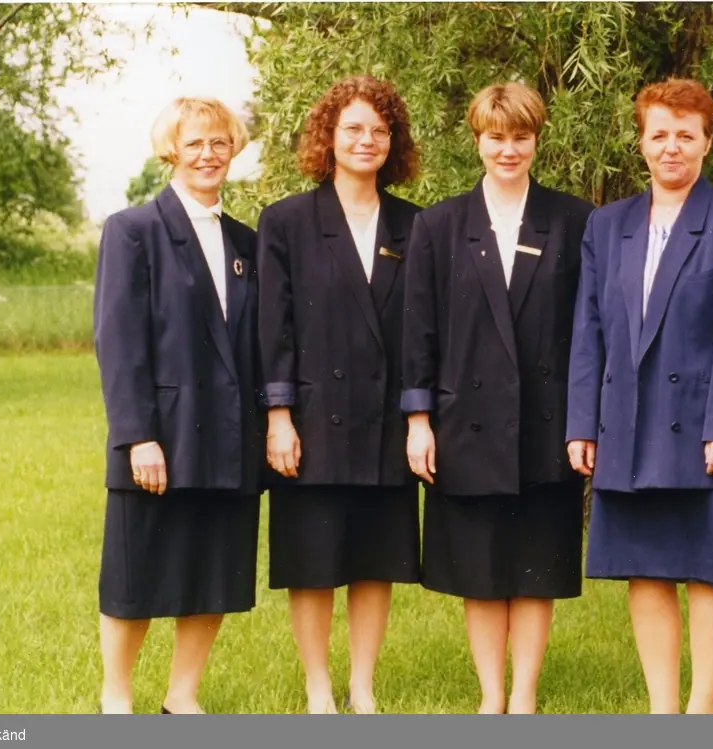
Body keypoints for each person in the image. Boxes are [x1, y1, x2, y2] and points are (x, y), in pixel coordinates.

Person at [565, 77, 713, 714]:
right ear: (641, 143)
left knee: (709, 571)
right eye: (659, 135)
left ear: (707, 142)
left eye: (686, 135)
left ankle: (701, 710)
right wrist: (582, 424)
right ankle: (662, 710)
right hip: (626, 422)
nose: (671, 147)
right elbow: (588, 328)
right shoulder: (607, 224)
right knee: (645, 569)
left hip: (704, 428)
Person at [401, 82, 593, 714]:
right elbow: (419, 331)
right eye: (495, 137)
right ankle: (491, 698)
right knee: (479, 572)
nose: (507, 150)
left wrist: (585, 421)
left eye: (520, 137)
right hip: (465, 423)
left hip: (548, 422)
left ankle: (526, 694)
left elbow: (591, 331)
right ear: (476, 139)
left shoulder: (574, 220)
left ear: (537, 139)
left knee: (536, 569)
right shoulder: (439, 224)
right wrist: (419, 420)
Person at [256, 75, 423, 715]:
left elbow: (420, 334)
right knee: (313, 559)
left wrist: (418, 417)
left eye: (379, 131)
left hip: (386, 421)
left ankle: (362, 686)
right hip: (310, 420)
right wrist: (278, 417)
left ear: (393, 143)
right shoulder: (288, 222)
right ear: (328, 136)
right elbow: (275, 328)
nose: (366, 140)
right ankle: (319, 686)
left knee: (375, 559)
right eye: (353, 128)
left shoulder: (417, 225)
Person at [93, 96, 263, 714]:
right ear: (171, 150)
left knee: (213, 573)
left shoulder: (247, 240)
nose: (208, 155)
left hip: (228, 438)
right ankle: (117, 699)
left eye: (219, 143)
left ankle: (181, 699)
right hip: (160, 438)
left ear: (233, 150)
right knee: (136, 576)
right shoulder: (132, 230)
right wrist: (138, 435)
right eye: (194, 143)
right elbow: (118, 341)